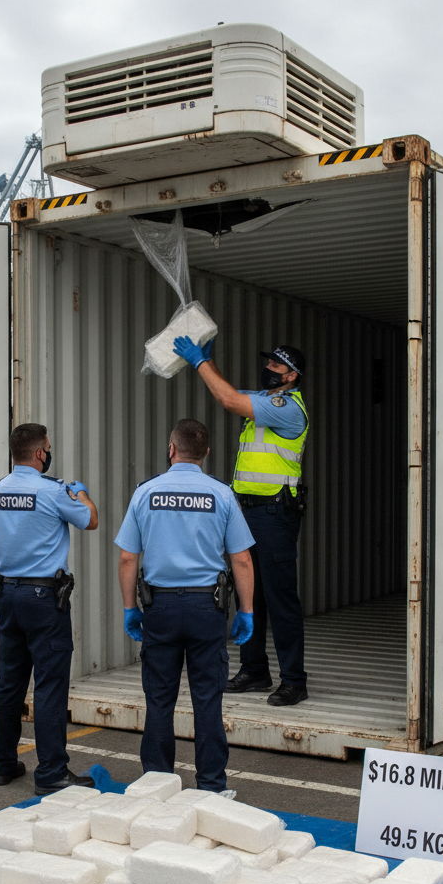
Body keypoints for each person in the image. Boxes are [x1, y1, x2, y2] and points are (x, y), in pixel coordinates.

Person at [115, 418, 255, 792]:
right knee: (207, 699)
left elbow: (129, 558)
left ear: (171, 449)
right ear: (206, 454)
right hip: (205, 608)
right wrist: (247, 610)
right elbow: (241, 559)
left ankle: (157, 785)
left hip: (158, 608)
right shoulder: (222, 495)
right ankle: (211, 786)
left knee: (159, 698)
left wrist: (130, 608)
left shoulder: (146, 493)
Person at [174, 336, 310, 706]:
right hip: (246, 510)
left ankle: (294, 680)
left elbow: (229, 400)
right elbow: (232, 392)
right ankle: (254, 670)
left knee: (279, 598)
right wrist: (209, 361)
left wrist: (199, 363)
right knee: (249, 592)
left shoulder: (287, 407)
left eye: (276, 367)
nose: (268, 369)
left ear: (292, 377)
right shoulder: (267, 400)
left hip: (273, 512)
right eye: (268, 364)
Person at [0, 423, 99, 795]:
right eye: (48, 448)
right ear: (39, 453)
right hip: (43, 599)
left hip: (8, 596)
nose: (49, 453)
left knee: (10, 681)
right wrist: (79, 492)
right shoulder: (53, 492)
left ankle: (3, 763)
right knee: (50, 685)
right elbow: (90, 519)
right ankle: (51, 772)